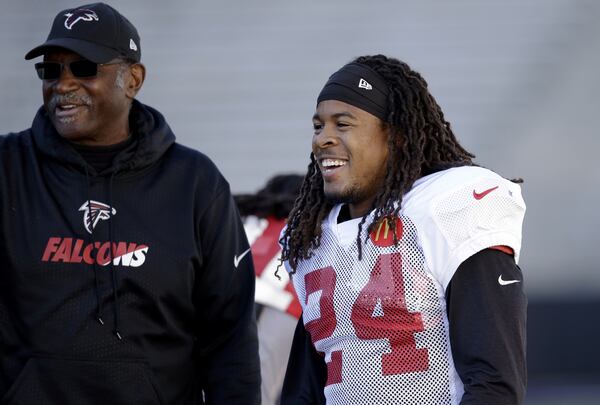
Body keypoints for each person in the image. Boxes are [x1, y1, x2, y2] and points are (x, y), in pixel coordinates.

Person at [0, 3, 260, 404]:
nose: (63, 84)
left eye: (83, 68)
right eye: (51, 70)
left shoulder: (195, 182)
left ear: (133, 79)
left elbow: (230, 339)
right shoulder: (8, 168)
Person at [279, 54, 527, 404]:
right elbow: (306, 390)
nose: (323, 139)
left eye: (343, 124)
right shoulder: (315, 238)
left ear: (396, 136)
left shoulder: (447, 208)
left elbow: (495, 384)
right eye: (319, 126)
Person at [234, 174, 304, 405]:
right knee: (259, 392)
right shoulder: (307, 219)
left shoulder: (247, 217)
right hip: (284, 307)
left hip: (229, 299)